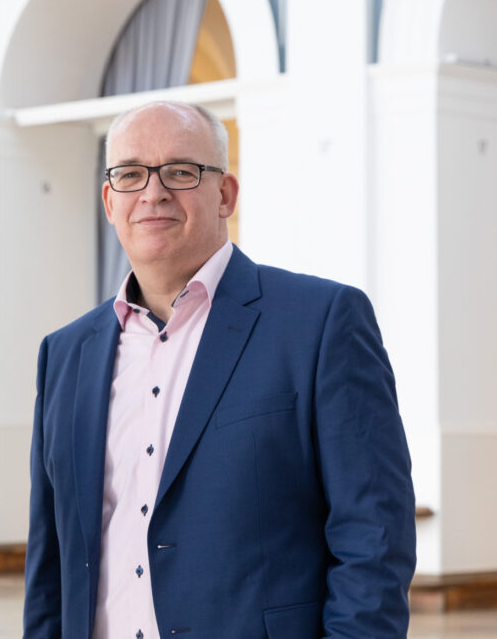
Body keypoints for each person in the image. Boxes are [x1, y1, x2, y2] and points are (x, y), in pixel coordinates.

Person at [23, 101, 415, 638]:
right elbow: (51, 563)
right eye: (130, 175)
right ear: (110, 201)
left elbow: (375, 536)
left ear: (225, 193)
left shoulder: (319, 323)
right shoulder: (65, 353)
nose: (153, 192)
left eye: (181, 172)